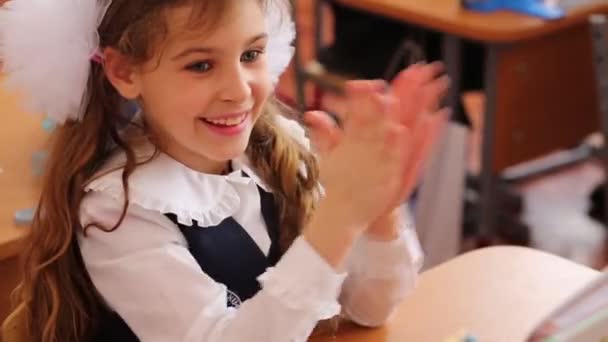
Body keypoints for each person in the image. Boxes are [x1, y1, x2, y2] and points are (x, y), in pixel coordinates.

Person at [0, 0, 449, 341]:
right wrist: (340, 220)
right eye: (200, 65)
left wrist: (379, 212)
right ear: (123, 71)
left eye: (251, 54)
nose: (239, 90)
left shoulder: (275, 153)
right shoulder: (119, 214)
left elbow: (369, 309)